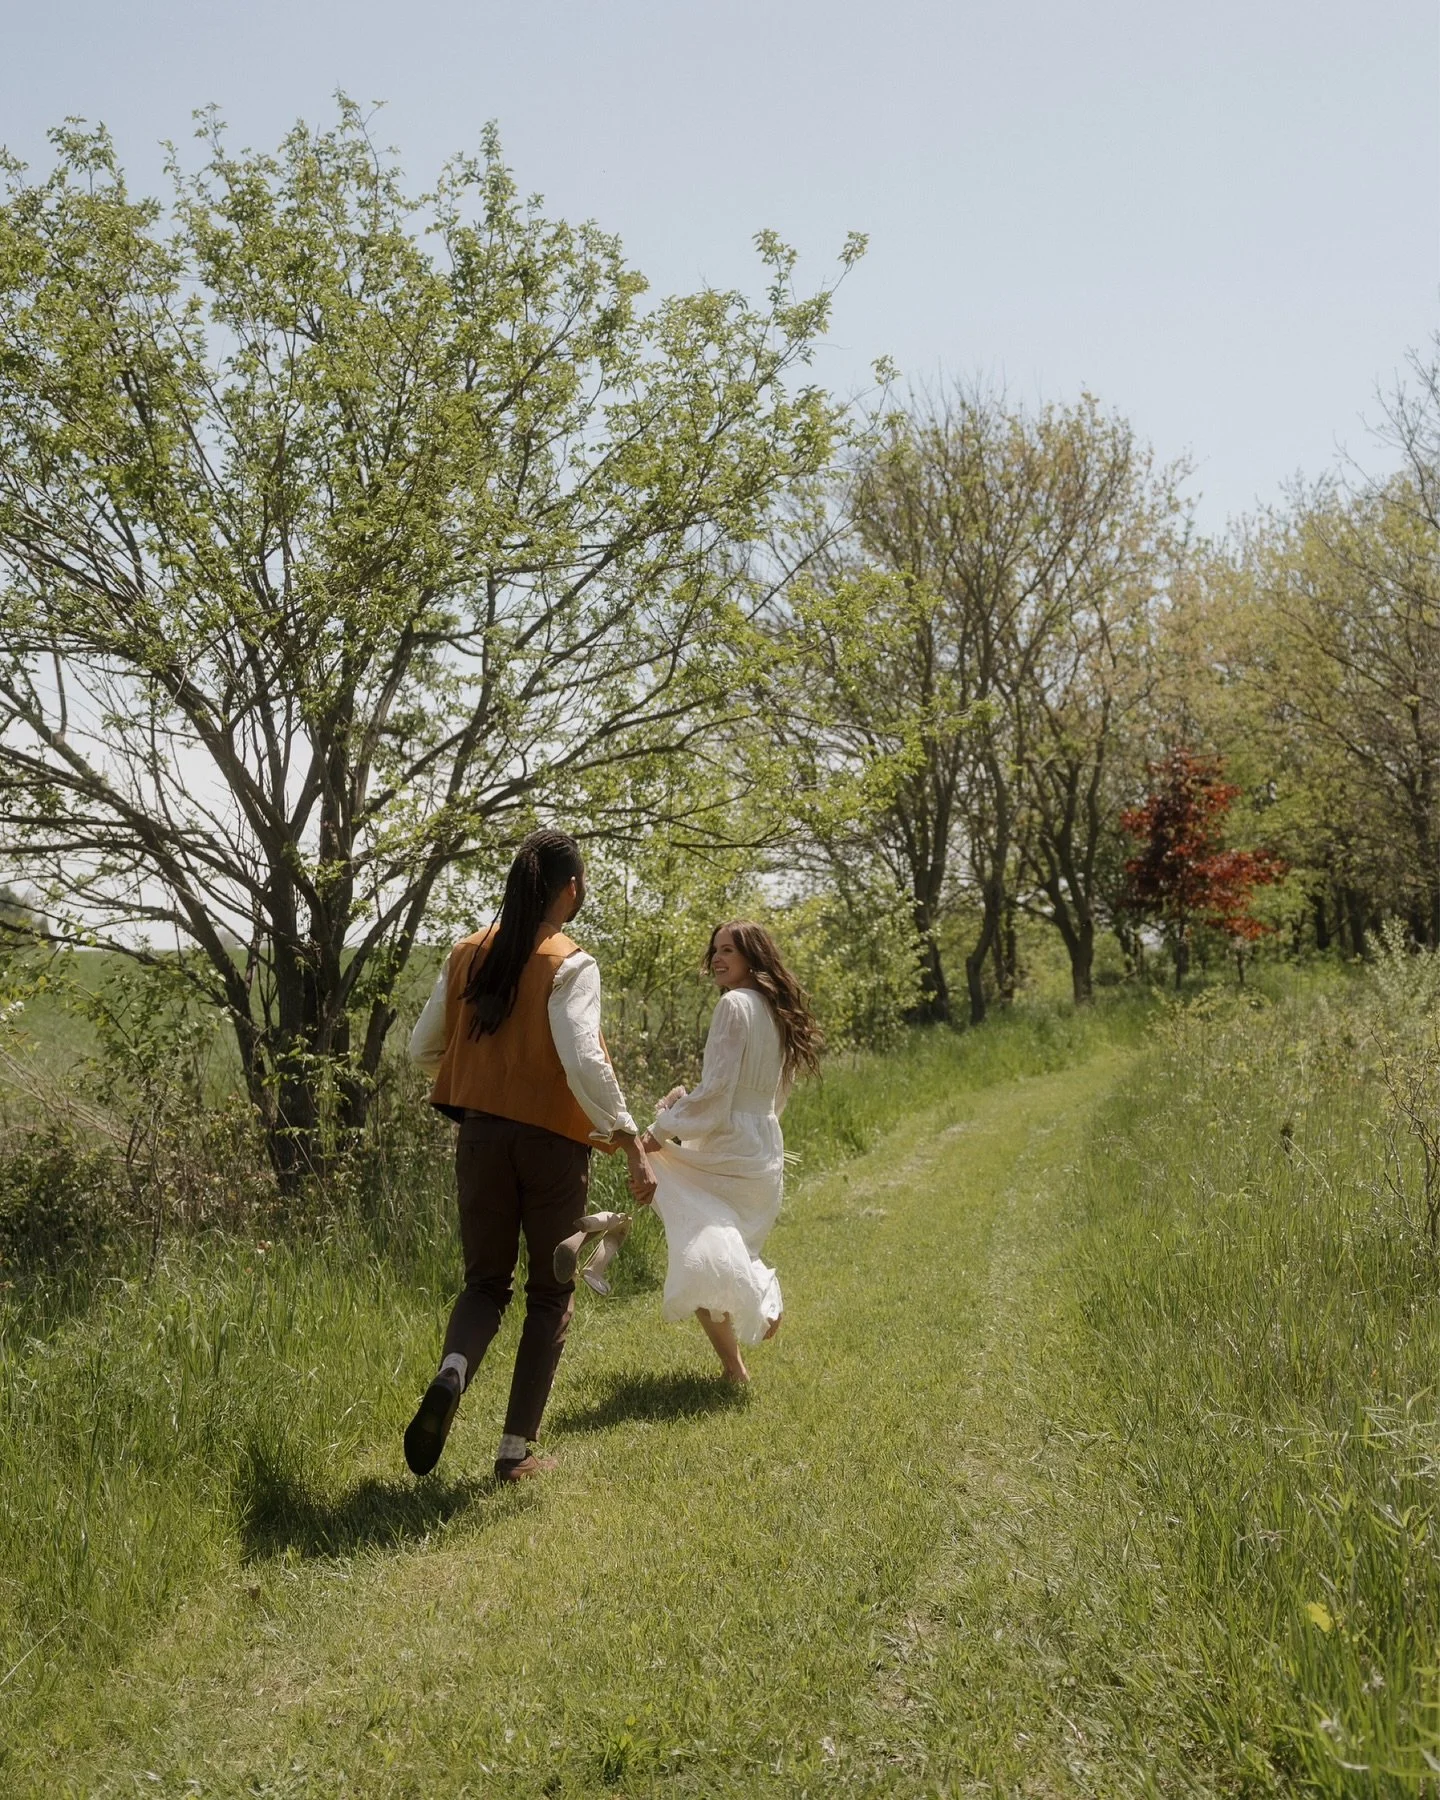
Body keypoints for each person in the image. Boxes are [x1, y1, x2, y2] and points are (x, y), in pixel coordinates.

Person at [405, 829, 655, 1481]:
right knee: (550, 1293)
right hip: (551, 1147)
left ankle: (453, 1372)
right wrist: (627, 1135)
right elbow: (584, 1058)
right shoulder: (570, 962)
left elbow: (421, 1049)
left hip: (480, 1139)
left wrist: (479, 1069)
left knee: (484, 1284)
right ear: (570, 890)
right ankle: (514, 1454)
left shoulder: (465, 953)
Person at [640, 922, 821, 1384]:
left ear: (752, 958)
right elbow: (773, 1095)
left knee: (699, 1253)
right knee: (719, 1251)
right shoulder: (774, 1010)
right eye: (715, 950)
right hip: (762, 1143)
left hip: (729, 1149)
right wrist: (692, 1105)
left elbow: (718, 1091)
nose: (718, 959)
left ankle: (759, 1297)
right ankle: (735, 1365)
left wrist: (662, 1130)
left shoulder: (734, 1005)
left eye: (729, 951)